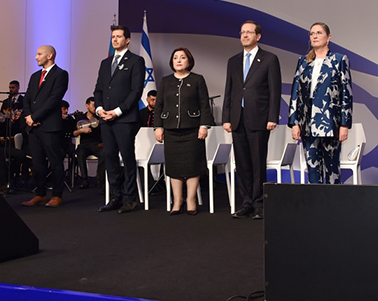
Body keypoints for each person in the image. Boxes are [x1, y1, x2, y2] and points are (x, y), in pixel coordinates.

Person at [223, 20, 281, 220]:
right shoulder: (233, 61)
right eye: (242, 32)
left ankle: (259, 204)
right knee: (242, 164)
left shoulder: (269, 59)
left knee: (257, 163)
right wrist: (226, 118)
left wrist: (272, 116)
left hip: (259, 118)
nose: (245, 35)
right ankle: (246, 203)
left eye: (249, 32)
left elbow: (275, 91)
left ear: (258, 36)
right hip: (237, 119)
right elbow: (229, 90)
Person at [289, 22, 353, 185]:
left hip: (331, 123)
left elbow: (346, 93)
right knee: (312, 171)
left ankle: (333, 201)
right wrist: (294, 122)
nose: (315, 36)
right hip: (307, 124)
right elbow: (295, 93)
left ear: (328, 37)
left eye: (319, 33)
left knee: (332, 170)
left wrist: (344, 124)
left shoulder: (339, 59)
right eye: (312, 34)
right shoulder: (303, 61)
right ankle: (314, 201)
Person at [94, 25, 145, 214]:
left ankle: (130, 198)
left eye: (119, 36)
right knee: (109, 157)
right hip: (105, 119)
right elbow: (98, 89)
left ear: (127, 40)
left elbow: (136, 91)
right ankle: (116, 197)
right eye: (113, 36)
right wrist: (99, 109)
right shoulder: (105, 63)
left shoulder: (136, 61)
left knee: (127, 157)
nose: (115, 39)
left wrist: (117, 111)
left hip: (124, 119)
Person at [155, 48, 212, 216]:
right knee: (174, 166)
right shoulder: (165, 81)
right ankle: (177, 200)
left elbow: (204, 105)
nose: (178, 60)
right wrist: (158, 127)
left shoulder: (197, 79)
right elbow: (158, 106)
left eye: (182, 57)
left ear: (189, 60)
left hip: (193, 130)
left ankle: (191, 199)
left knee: (193, 165)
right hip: (171, 130)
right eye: (175, 58)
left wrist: (204, 125)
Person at [21, 45, 69, 207]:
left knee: (55, 162)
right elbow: (27, 98)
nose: (36, 57)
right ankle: (40, 194)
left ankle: (57, 195)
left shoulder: (61, 74)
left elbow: (54, 99)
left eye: (39, 54)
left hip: (49, 126)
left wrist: (35, 117)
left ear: (49, 56)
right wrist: (29, 117)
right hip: (33, 126)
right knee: (37, 163)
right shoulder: (35, 76)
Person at [72, 97, 105, 189]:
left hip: (96, 144)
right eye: (93, 105)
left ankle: (99, 180)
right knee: (80, 152)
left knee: (105, 153)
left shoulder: (100, 118)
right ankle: (84, 179)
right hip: (84, 145)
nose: (95, 108)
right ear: (87, 106)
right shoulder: (80, 118)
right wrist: (82, 131)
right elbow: (73, 133)